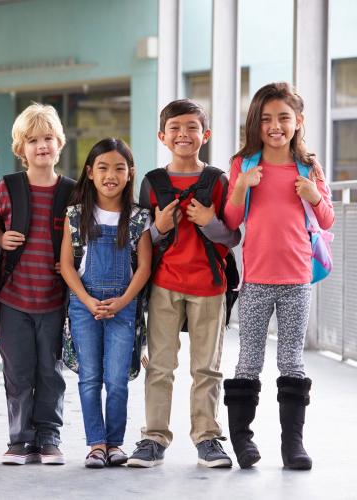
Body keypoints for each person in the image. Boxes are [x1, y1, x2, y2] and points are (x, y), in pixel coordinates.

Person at [223, 82, 334, 471]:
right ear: (255, 123)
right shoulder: (244, 165)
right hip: (255, 280)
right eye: (266, 118)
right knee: (249, 360)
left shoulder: (309, 167)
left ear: (298, 121)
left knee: (292, 361)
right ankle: (242, 440)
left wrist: (313, 195)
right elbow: (231, 222)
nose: (275, 126)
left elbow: (327, 219)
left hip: (297, 279)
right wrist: (239, 187)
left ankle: (293, 445)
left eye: (283, 118)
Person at [130, 99, 241, 469]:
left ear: (205, 135)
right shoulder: (152, 182)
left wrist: (209, 220)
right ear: (162, 136)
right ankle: (153, 438)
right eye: (175, 128)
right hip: (164, 285)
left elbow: (232, 237)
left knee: (206, 369)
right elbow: (140, 239)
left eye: (192, 127)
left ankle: (208, 439)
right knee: (160, 366)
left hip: (209, 286)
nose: (184, 134)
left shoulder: (218, 182)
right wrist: (159, 228)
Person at [0, 103, 76, 465]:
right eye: (32, 140)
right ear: (20, 148)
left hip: (55, 300)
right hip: (14, 299)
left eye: (47, 138)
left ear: (60, 143)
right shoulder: (8, 188)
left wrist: (71, 259)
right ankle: (20, 438)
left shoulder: (72, 192)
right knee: (18, 371)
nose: (41, 145)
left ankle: (49, 436)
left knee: (50, 372)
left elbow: (83, 237)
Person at [59, 138, 151, 468]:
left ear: (130, 175)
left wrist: (124, 300)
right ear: (90, 173)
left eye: (119, 168)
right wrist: (86, 299)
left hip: (124, 306)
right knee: (89, 378)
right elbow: (67, 265)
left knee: (116, 379)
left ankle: (115, 442)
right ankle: (95, 444)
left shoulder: (139, 217)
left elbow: (144, 267)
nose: (110, 175)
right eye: (103, 168)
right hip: (84, 305)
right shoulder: (76, 215)